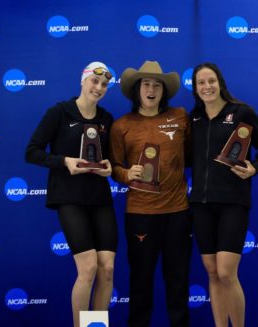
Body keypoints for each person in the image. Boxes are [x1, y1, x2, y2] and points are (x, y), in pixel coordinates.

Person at [26, 62, 117, 327]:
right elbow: (32, 151)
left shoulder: (106, 119)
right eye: (94, 82)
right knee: (88, 268)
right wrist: (64, 161)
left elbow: (108, 158)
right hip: (68, 197)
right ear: (83, 81)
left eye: (103, 85)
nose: (98, 88)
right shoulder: (59, 112)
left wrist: (110, 166)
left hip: (99, 198)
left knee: (107, 269)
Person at [109, 61, 191, 327]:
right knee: (141, 281)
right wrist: (125, 174)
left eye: (157, 85)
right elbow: (114, 167)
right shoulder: (122, 125)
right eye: (146, 84)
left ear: (164, 91)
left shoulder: (180, 116)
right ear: (137, 90)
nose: (152, 89)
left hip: (178, 213)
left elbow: (191, 155)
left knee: (178, 280)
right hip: (140, 214)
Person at [190, 63, 258, 327]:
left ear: (220, 82)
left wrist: (254, 168)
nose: (207, 87)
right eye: (200, 83)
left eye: (211, 81)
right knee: (212, 273)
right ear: (195, 88)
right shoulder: (193, 118)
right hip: (200, 204)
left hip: (232, 203)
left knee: (227, 273)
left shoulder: (241, 112)